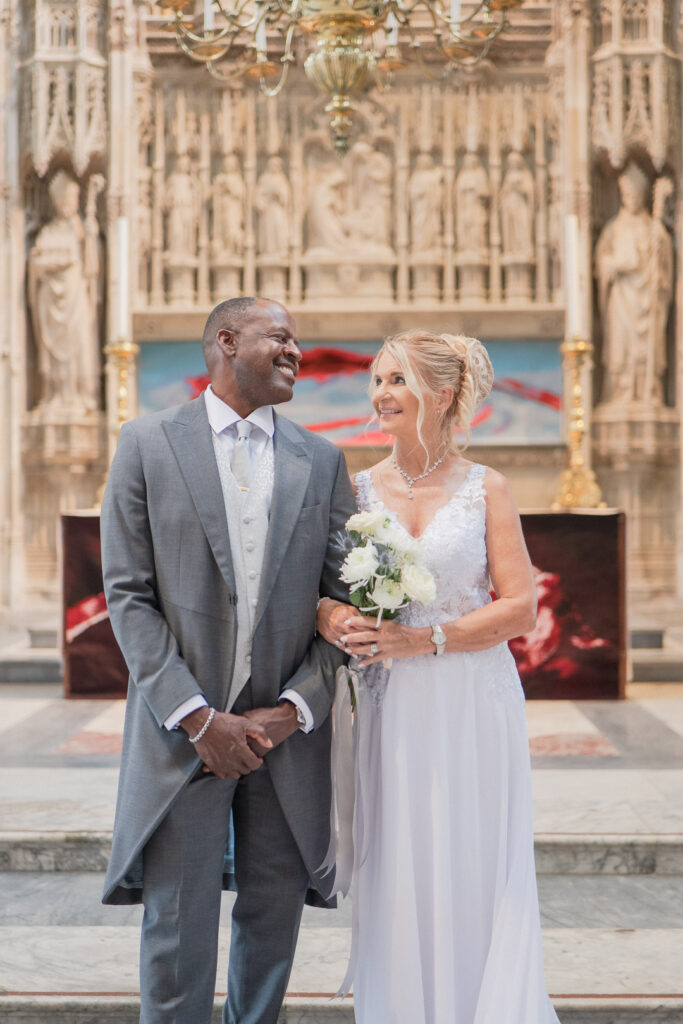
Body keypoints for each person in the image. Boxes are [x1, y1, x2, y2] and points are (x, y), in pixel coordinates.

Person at [100, 296, 356, 1024]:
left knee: (272, 921)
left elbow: (341, 608)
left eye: (296, 342)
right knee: (176, 930)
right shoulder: (147, 443)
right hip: (183, 733)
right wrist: (194, 715)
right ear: (225, 340)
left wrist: (291, 711)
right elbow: (128, 595)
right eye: (279, 337)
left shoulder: (322, 458)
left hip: (286, 742)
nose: (295, 353)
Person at [317, 330, 560, 1023]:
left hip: (468, 696)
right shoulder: (356, 488)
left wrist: (426, 638)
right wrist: (334, 615)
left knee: (471, 854)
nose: (380, 394)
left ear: (442, 393)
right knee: (398, 856)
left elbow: (519, 608)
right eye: (376, 380)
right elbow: (318, 594)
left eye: (396, 380)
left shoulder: (487, 489)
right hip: (391, 706)